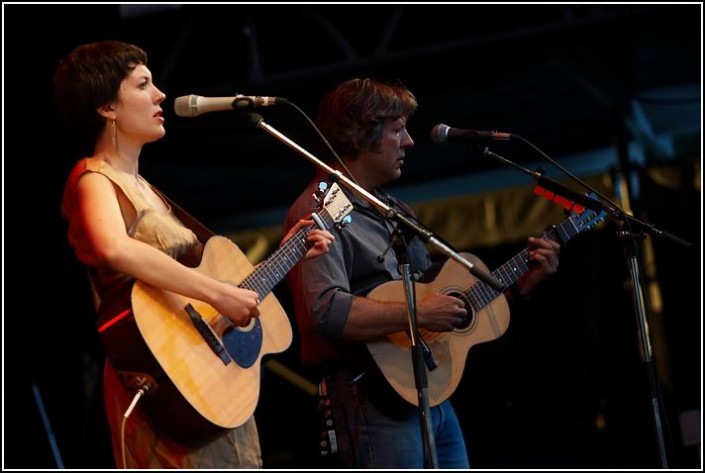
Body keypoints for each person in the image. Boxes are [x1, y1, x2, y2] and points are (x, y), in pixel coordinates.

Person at [54, 39, 335, 469]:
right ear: (107, 107)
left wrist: (286, 256)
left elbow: (191, 297)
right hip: (162, 379)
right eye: (143, 84)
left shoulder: (148, 190)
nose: (160, 94)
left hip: (206, 379)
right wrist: (220, 295)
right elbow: (114, 248)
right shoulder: (93, 178)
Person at [282, 78, 561, 468]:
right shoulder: (316, 212)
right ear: (361, 135)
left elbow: (436, 293)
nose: (410, 142)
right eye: (398, 130)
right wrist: (419, 313)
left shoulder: (395, 210)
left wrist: (516, 287)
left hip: (429, 392)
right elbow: (325, 311)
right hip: (370, 399)